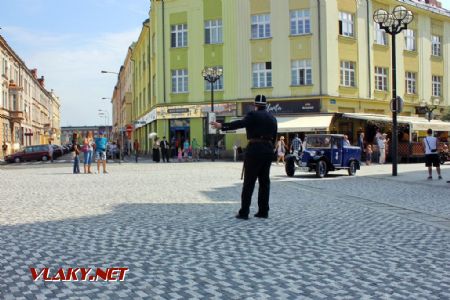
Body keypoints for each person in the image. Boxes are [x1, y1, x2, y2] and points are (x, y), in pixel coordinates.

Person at [210, 94, 277, 220]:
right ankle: (263, 211)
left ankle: (244, 211)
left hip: (255, 149)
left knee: (249, 182)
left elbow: (240, 123)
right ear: (266, 104)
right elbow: (275, 136)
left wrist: (222, 125)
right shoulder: (272, 118)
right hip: (268, 150)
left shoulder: (253, 115)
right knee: (264, 182)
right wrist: (269, 149)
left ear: (255, 104)